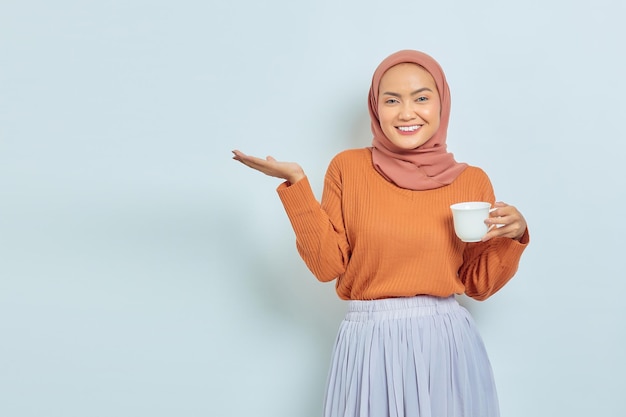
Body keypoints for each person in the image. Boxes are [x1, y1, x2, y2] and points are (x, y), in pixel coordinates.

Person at [232, 50, 529, 417]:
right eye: (392, 100)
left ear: (442, 103)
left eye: (421, 98)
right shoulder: (347, 168)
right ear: (375, 107)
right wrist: (297, 186)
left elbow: (479, 285)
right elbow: (327, 265)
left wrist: (511, 237)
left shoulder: (471, 181)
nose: (407, 113)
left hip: (445, 343)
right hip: (368, 342)